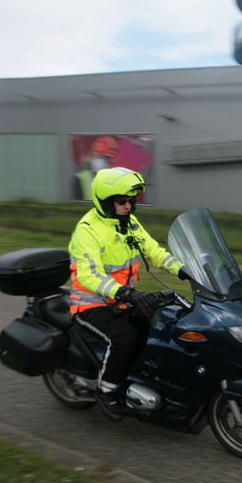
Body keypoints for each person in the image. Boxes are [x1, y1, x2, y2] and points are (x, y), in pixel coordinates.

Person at [68, 167, 189, 421]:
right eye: (122, 201)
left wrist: (183, 270)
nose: (128, 206)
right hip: (91, 305)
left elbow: (153, 250)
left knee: (160, 327)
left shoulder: (129, 223)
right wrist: (125, 293)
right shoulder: (87, 231)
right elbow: (89, 276)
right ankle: (106, 390)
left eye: (131, 200)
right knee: (125, 338)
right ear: (105, 201)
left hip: (123, 301)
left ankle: (142, 381)